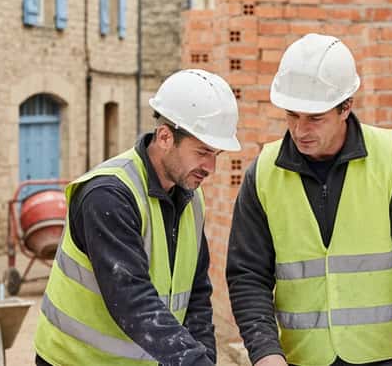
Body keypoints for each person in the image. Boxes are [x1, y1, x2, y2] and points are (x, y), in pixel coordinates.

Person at [226, 34, 392, 366]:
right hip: (299, 360)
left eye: (315, 118)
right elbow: (247, 275)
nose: (300, 130)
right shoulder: (263, 174)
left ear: (346, 106)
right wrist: (265, 353)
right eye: (292, 115)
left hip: (387, 359)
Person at [34, 69, 241, 366]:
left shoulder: (191, 197)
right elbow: (132, 299)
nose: (210, 167)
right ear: (166, 137)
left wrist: (205, 357)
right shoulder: (108, 196)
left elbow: (196, 294)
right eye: (202, 152)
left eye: (216, 155)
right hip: (76, 361)